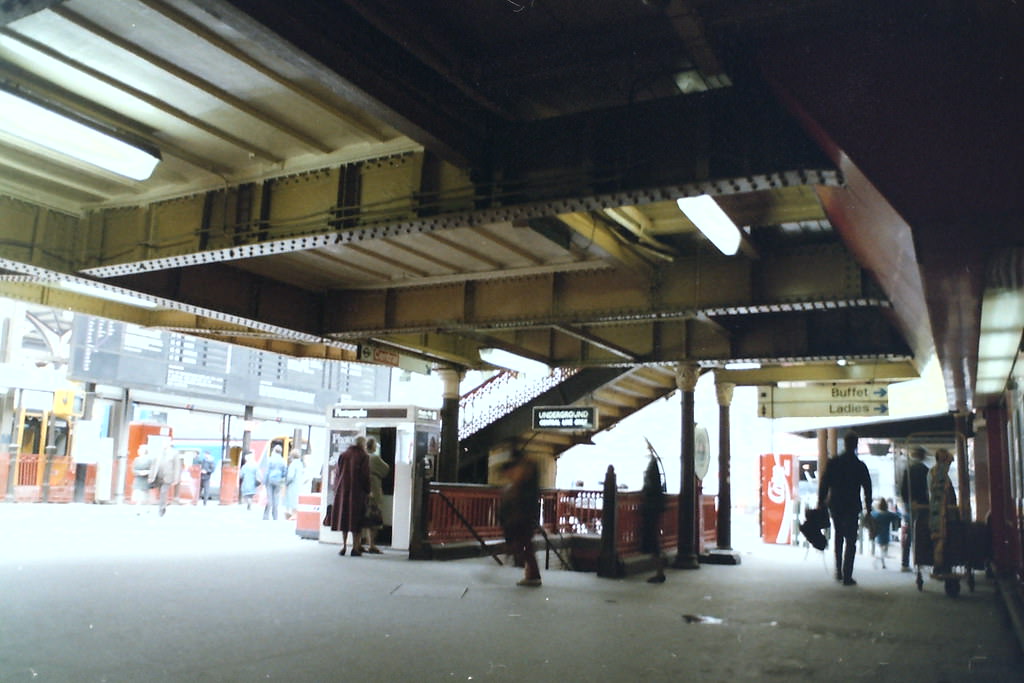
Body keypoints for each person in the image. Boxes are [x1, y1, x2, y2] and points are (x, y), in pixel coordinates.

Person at [816, 430, 872, 586]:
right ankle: (848, 574)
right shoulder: (859, 465)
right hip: (852, 506)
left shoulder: (834, 463)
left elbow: (824, 482)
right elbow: (867, 487)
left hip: (836, 505)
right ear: (856, 445)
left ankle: (838, 571)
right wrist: (868, 507)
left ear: (845, 444)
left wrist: (821, 501)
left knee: (839, 536)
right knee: (851, 540)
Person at [499, 454, 541, 587]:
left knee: (525, 546)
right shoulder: (528, 484)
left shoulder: (521, 486)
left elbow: (518, 503)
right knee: (526, 546)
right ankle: (531, 574)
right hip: (525, 518)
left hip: (521, 519)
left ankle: (533, 575)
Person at [330, 436, 371, 556]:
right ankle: (355, 547)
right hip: (357, 492)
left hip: (342, 491)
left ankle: (343, 546)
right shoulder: (364, 456)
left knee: (344, 519)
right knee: (356, 520)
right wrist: (368, 490)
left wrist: (336, 489)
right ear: (362, 444)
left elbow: (337, 473)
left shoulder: (343, 455)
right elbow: (365, 475)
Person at [898, 446, 930, 571]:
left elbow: (903, 490)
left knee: (910, 533)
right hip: (923, 505)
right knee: (923, 532)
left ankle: (905, 563)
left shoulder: (908, 470)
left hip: (911, 505)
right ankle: (921, 560)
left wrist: (908, 503)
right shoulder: (925, 470)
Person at [929, 448, 959, 572]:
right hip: (940, 511)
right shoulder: (939, 472)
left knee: (940, 539)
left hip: (939, 510)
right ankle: (940, 564)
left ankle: (940, 565)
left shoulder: (936, 471)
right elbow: (940, 492)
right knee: (941, 539)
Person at [640, 453, 666, 583]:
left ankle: (659, 572)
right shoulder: (656, 475)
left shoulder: (651, 475)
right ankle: (659, 571)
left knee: (653, 542)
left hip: (651, 510)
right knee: (655, 541)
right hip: (655, 508)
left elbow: (648, 487)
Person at [362, 437, 390, 553]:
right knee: (374, 517)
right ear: (373, 446)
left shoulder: (362, 457)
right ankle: (372, 544)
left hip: (363, 491)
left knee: (363, 517)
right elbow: (386, 469)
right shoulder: (375, 458)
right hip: (374, 490)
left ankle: (359, 542)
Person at [869, 498, 901, 569]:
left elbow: (869, 516)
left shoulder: (875, 514)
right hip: (886, 535)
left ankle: (881, 560)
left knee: (881, 548)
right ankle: (882, 560)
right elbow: (898, 516)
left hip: (878, 534)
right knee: (884, 549)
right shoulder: (888, 514)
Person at [148, 445, 177, 517]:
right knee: (160, 492)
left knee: (163, 492)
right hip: (158, 477)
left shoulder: (173, 455)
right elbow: (153, 466)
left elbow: (176, 467)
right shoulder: (157, 455)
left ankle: (161, 508)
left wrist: (175, 478)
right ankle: (162, 505)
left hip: (167, 477)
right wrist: (151, 477)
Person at [262, 445, 288, 520]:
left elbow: (267, 471)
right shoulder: (283, 461)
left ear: (274, 451)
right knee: (276, 498)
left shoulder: (270, 459)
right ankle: (275, 516)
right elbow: (285, 472)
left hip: (270, 480)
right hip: (278, 481)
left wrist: (264, 481)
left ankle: (266, 516)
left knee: (269, 498)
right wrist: (281, 478)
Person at [283, 449, 305, 521]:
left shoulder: (293, 464)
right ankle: (293, 514)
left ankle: (293, 515)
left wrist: (286, 483)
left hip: (293, 485)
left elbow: (290, 476)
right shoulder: (300, 464)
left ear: (291, 456)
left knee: (292, 500)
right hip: (299, 484)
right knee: (296, 500)